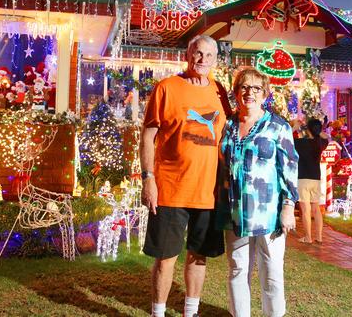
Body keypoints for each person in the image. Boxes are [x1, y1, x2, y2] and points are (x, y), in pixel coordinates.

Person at [140, 34, 230, 317]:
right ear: (188, 55)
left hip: (207, 191)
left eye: (208, 55)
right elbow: (148, 135)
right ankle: (158, 312)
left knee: (199, 256)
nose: (202, 60)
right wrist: (148, 178)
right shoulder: (167, 88)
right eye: (197, 53)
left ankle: (190, 312)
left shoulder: (221, 93)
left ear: (216, 60)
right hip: (170, 188)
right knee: (166, 259)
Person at [218, 67, 299, 317]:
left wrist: (288, 207)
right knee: (237, 270)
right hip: (235, 212)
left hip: (268, 214)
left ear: (264, 93)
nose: (249, 93)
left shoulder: (277, 126)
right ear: (236, 92)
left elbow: (290, 167)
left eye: (255, 88)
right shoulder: (229, 125)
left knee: (272, 272)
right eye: (243, 87)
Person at [294, 119, 329, 244]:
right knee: (316, 209)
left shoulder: (299, 143)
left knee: (305, 209)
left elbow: (285, 139)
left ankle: (308, 237)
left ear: (307, 129)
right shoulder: (320, 143)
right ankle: (319, 237)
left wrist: (296, 127)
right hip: (315, 178)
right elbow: (326, 137)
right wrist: (317, 131)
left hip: (302, 178)